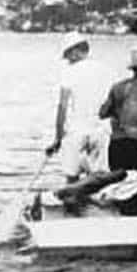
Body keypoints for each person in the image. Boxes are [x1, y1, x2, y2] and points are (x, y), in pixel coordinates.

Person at [45, 31, 109, 182]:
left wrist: (57, 139)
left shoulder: (69, 72)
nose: (67, 60)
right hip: (100, 131)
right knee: (97, 179)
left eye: (67, 55)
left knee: (72, 178)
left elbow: (62, 107)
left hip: (76, 131)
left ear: (75, 51)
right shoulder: (104, 69)